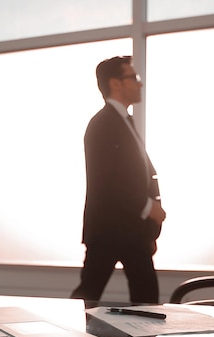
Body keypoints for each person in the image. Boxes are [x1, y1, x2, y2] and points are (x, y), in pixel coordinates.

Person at [70, 56, 166, 304]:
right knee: (87, 296)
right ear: (116, 84)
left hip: (132, 230)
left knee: (147, 300)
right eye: (133, 77)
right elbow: (107, 182)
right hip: (109, 229)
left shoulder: (122, 121)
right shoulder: (102, 124)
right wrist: (148, 207)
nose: (140, 84)